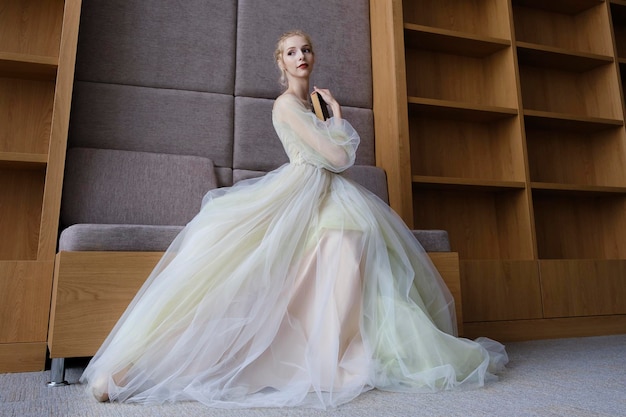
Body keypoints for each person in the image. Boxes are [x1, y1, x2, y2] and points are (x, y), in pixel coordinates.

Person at [81, 30, 507, 409]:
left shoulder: (311, 105)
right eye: (290, 52)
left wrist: (328, 116)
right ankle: (134, 371)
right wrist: (338, 116)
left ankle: (327, 348)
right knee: (243, 278)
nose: (300, 56)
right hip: (303, 190)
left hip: (327, 194)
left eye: (305, 50)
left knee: (350, 247)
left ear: (313, 58)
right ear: (280, 63)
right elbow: (339, 158)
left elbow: (336, 164)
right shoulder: (286, 105)